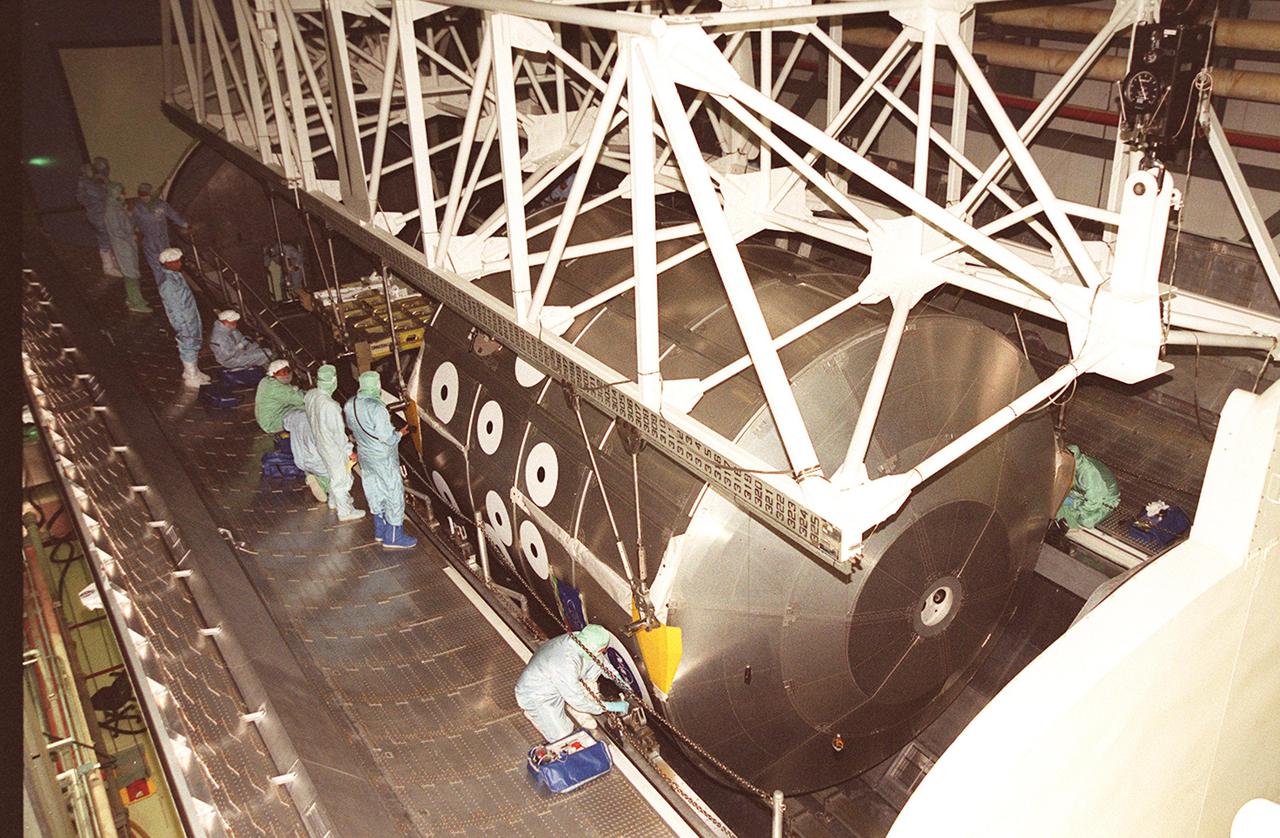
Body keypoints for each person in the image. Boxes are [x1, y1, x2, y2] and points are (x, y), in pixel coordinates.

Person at [514, 625, 629, 745]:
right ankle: (534, 713)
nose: (602, 653)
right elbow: (579, 701)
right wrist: (610, 707)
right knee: (564, 736)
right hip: (537, 694)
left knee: (593, 662)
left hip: (557, 678)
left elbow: (601, 662)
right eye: (602, 650)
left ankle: (582, 705)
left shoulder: (581, 639)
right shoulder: (565, 664)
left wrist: (621, 681)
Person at [343, 370, 416, 549]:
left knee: (374, 489)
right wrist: (400, 433)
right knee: (393, 492)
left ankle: (380, 530)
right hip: (382, 457)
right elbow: (386, 438)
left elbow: (351, 427)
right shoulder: (378, 408)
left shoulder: (350, 404)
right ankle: (393, 536)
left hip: (365, 455)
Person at [305, 364, 365, 522]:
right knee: (342, 479)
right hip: (333, 447)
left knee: (332, 473)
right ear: (333, 380)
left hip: (320, 443)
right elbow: (339, 435)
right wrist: (349, 451)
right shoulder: (331, 407)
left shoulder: (311, 395)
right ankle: (345, 512)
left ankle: (334, 501)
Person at [156, 248, 210, 386]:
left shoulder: (176, 276)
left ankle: (194, 370)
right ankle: (190, 376)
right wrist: (183, 324)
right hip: (183, 319)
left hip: (190, 315)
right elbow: (174, 307)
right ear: (167, 263)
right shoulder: (168, 283)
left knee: (194, 343)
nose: (180, 264)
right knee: (188, 344)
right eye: (176, 261)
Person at [104, 182, 152, 314]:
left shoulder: (115, 206)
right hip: (123, 245)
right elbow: (117, 230)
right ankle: (136, 302)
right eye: (120, 191)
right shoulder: (111, 209)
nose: (123, 194)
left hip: (125, 244)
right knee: (131, 273)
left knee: (130, 271)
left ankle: (134, 298)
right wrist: (131, 235)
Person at [131, 182, 190, 280]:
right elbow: (131, 222)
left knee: (169, 262)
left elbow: (174, 215)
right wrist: (132, 233)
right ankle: (163, 286)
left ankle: (173, 284)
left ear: (150, 193)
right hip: (149, 241)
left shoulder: (161, 205)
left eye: (146, 194)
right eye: (142, 194)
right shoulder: (137, 208)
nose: (144, 197)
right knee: (156, 266)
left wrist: (186, 225)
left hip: (163, 240)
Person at [77, 162, 120, 276]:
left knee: (108, 238)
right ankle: (108, 267)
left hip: (100, 214)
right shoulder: (88, 184)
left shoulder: (90, 183)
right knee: (105, 238)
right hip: (98, 215)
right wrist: (105, 182)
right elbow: (104, 195)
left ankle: (112, 263)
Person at [281, 406, 330, 503]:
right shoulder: (320, 424)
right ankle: (323, 484)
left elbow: (285, 424)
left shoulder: (297, 415)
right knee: (338, 474)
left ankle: (310, 475)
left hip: (300, 461)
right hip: (317, 463)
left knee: (310, 462)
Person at [255, 359, 305, 434]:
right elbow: (301, 399)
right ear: (273, 374)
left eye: (288, 371)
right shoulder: (276, 388)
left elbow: (289, 393)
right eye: (281, 373)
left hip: (268, 417)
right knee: (307, 410)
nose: (286, 375)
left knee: (302, 406)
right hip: (271, 423)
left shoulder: (266, 380)